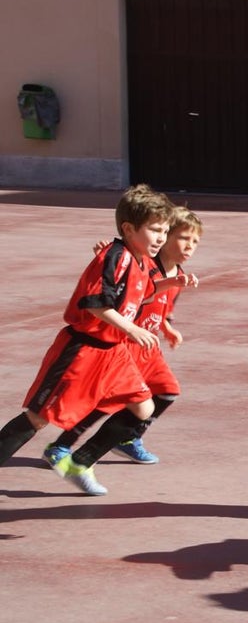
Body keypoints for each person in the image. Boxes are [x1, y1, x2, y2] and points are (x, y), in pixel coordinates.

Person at [0, 184, 176, 495]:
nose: (161, 237)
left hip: (114, 353)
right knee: (38, 418)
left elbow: (140, 296)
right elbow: (95, 305)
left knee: (144, 408)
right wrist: (131, 330)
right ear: (129, 228)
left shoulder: (142, 262)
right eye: (155, 230)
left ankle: (79, 461)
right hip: (82, 350)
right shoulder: (116, 256)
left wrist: (169, 285)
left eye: (165, 230)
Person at [42, 206, 203, 468]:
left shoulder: (178, 275)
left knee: (167, 391)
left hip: (149, 347)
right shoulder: (146, 265)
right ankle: (61, 445)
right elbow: (121, 279)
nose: (190, 245)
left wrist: (167, 328)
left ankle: (128, 438)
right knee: (109, 401)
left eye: (195, 240)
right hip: (125, 343)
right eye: (184, 237)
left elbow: (160, 307)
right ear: (164, 237)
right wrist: (105, 255)